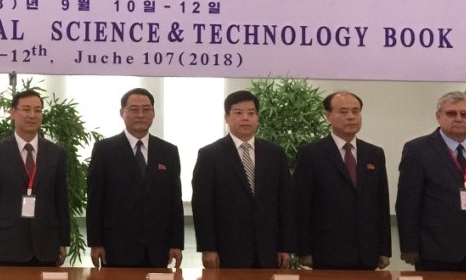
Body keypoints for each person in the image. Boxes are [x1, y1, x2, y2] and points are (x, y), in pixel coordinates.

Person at [396, 91, 466, 272]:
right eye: (451, 113)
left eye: (465, 114)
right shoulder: (417, 150)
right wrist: (409, 246)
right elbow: (407, 203)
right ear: (438, 116)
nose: (458, 118)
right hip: (434, 248)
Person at [191, 90, 293, 269]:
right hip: (227, 249)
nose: (246, 118)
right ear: (227, 117)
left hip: (268, 249)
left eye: (251, 113)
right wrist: (208, 248)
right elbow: (202, 205)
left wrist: (285, 246)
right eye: (238, 113)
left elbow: (285, 202)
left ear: (257, 118)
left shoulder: (275, 154)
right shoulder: (210, 155)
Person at [293, 91, 391, 270]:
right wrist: (303, 250)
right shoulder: (311, 153)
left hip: (367, 252)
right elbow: (302, 204)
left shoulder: (374, 153)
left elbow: (382, 203)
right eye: (344, 112)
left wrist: (384, 249)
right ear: (328, 116)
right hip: (326, 251)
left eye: (356, 111)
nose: (351, 117)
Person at [86, 88, 183, 268]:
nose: (140, 115)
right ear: (122, 113)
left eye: (146, 109)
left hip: (157, 246)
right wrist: (95, 242)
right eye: (134, 109)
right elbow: (95, 198)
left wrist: (176, 243)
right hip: (116, 244)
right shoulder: (105, 149)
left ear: (153, 113)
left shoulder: (168, 151)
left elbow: (175, 200)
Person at [0, 88, 70, 267]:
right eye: (26, 109)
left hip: (46, 243)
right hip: (8, 242)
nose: (32, 115)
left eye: (38, 110)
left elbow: (61, 199)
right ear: (12, 113)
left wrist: (63, 241)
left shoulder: (56, 153)